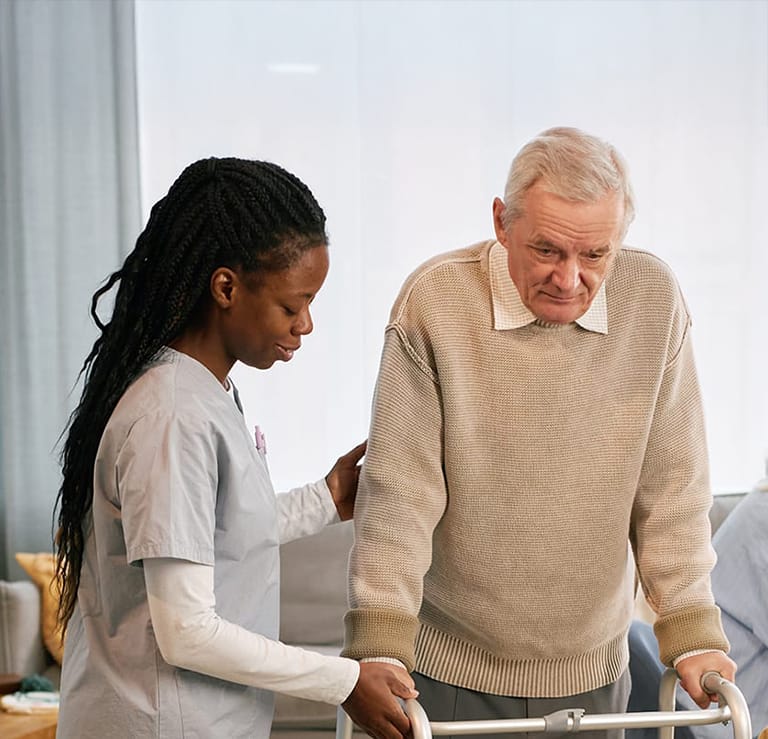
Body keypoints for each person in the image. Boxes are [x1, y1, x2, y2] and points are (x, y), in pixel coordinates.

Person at [342, 127, 736, 738]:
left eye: (595, 255)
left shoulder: (653, 300)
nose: (569, 279)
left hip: (595, 674)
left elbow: (673, 488)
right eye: (547, 250)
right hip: (445, 672)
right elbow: (401, 494)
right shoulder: (436, 302)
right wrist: (378, 642)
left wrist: (691, 628)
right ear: (502, 223)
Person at [53, 157, 416, 738]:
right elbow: (187, 631)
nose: (306, 325)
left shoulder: (205, 392)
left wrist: (327, 498)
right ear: (226, 287)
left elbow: (217, 533)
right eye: (292, 305)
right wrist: (343, 681)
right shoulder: (172, 415)